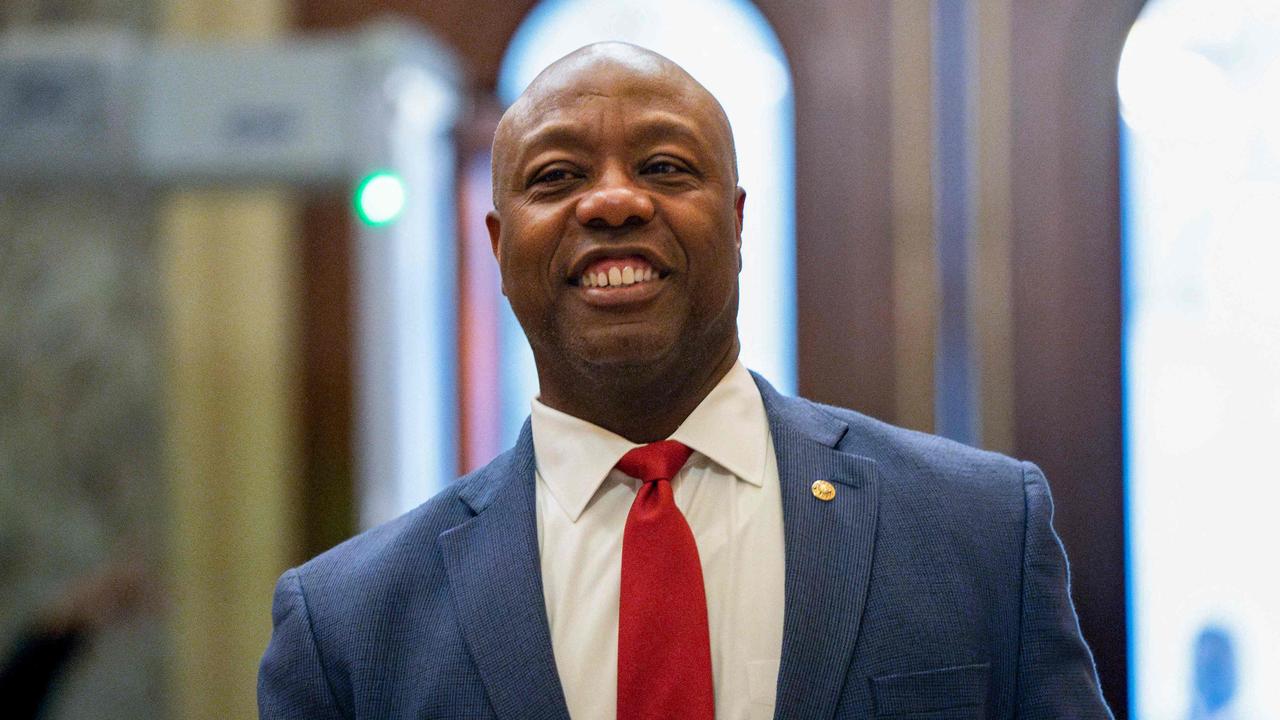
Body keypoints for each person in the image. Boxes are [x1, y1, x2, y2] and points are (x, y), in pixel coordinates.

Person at [258, 42, 1113, 719]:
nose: (614, 203)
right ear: (496, 245)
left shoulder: (982, 531)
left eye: (666, 167)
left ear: (737, 224)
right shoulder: (348, 626)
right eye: (557, 177)